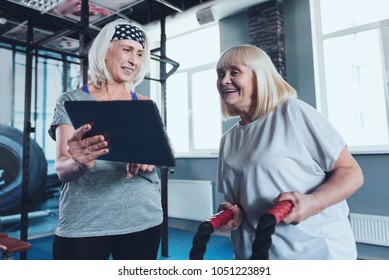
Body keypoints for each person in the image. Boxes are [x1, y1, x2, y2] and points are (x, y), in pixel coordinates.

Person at [215, 45, 364, 260]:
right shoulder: (228, 139)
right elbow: (239, 201)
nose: (224, 80)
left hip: (314, 253)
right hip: (254, 256)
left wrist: (313, 202)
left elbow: (351, 172)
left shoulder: (292, 113)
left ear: (260, 77)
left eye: (234, 72)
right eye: (220, 74)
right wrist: (232, 213)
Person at [48, 19, 164, 260]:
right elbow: (61, 168)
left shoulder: (144, 104)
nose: (134, 59)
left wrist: (152, 154)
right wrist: (78, 162)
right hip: (85, 221)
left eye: (140, 53)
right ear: (105, 50)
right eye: (127, 49)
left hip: (143, 217)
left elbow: (166, 149)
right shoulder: (72, 100)